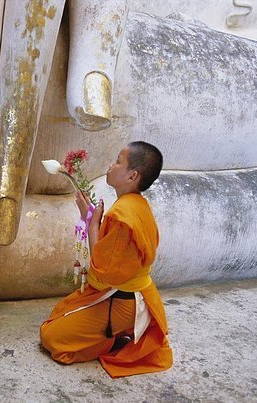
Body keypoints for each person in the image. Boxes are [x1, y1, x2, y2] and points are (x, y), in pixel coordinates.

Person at [40, 141, 173, 378]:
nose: (111, 165)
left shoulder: (123, 216)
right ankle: (117, 332)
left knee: (52, 340)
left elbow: (102, 274)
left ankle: (118, 339)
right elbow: (113, 255)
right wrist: (92, 218)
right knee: (60, 312)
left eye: (118, 161)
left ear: (132, 175)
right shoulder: (135, 205)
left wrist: (92, 225)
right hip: (126, 293)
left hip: (123, 302)